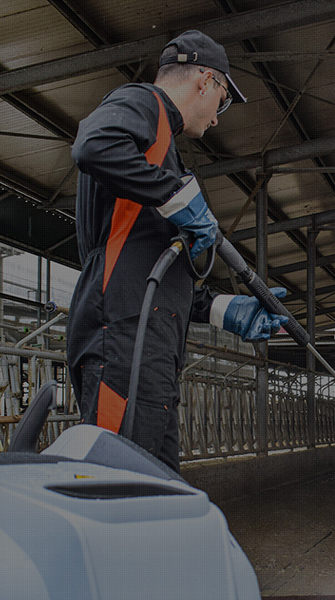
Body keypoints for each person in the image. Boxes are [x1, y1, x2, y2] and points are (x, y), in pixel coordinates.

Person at [67, 30, 288, 473]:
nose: (218, 118)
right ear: (205, 80)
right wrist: (174, 194)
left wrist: (224, 309)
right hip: (124, 338)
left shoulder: (162, 149)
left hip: (149, 344)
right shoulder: (144, 102)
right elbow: (93, 144)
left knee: (157, 485)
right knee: (119, 484)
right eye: (223, 100)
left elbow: (155, 266)